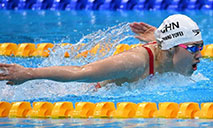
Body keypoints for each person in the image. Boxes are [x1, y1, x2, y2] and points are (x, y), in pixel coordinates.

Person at [0, 14, 203, 86]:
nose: (199, 54)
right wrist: (29, 73)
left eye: (200, 46)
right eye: (193, 48)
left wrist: (158, 36)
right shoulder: (134, 62)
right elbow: (81, 72)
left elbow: (165, 43)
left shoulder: (170, 54)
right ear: (169, 49)